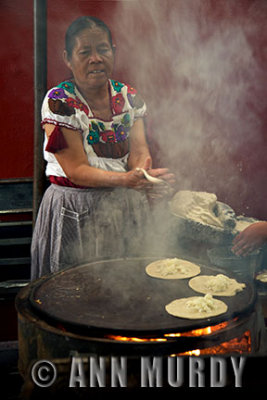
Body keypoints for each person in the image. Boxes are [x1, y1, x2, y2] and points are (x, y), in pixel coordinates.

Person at [31, 16, 174, 280]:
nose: (96, 58)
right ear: (68, 58)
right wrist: (127, 181)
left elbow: (140, 152)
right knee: (73, 292)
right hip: (74, 209)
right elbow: (76, 170)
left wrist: (144, 176)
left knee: (125, 290)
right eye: (85, 52)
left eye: (103, 50)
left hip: (125, 204)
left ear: (114, 52)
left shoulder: (129, 96)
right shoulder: (60, 102)